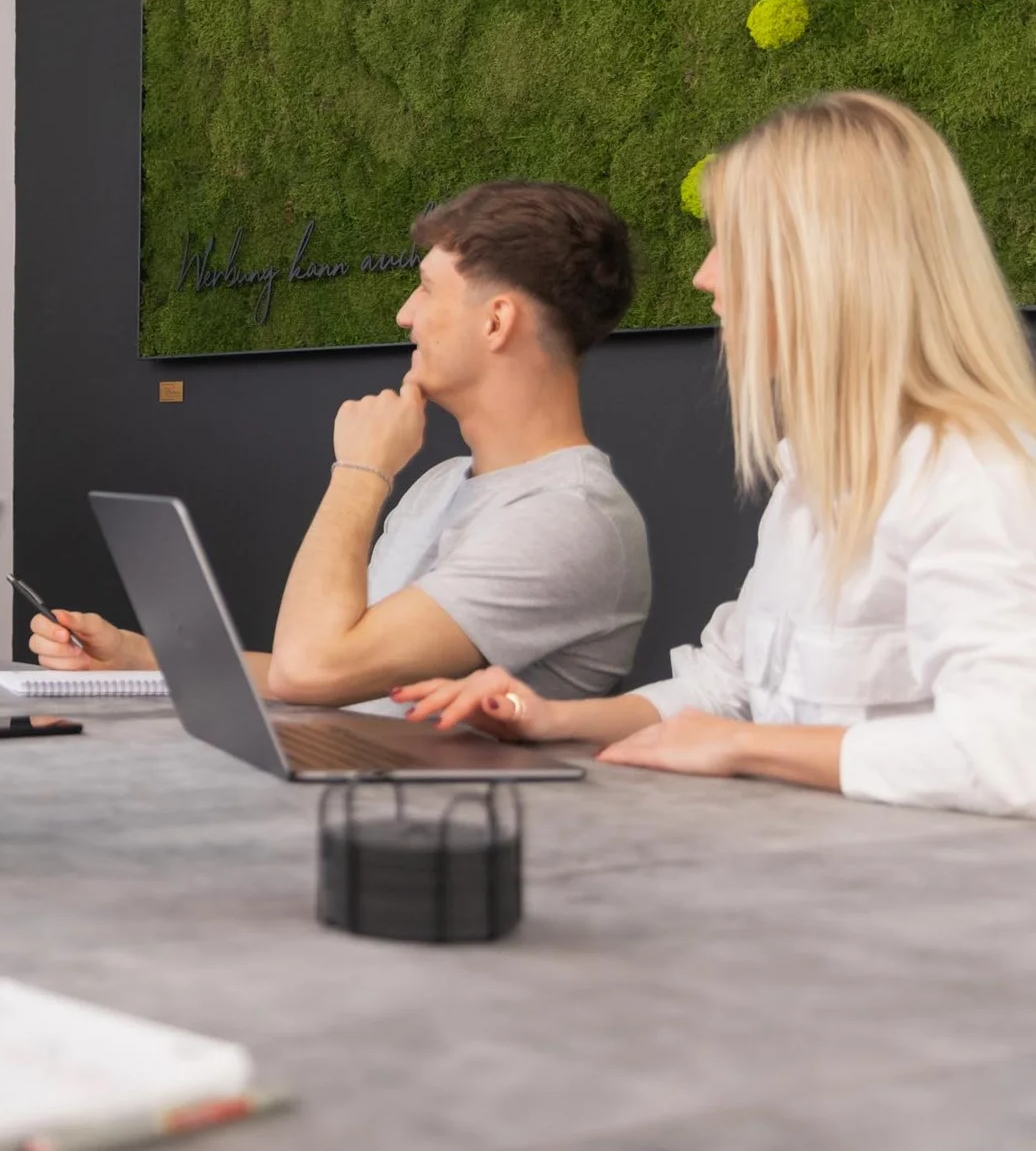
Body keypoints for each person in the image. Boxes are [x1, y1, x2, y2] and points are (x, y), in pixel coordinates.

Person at [400, 94, 1036, 816]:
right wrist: (548, 717)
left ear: (824, 262)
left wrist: (744, 748)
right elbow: (726, 685)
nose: (705, 275)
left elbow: (1014, 750)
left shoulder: (976, 476)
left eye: (731, 242)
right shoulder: (813, 488)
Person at [33, 181, 651, 705]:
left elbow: (311, 670)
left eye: (427, 288)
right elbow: (313, 673)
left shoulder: (565, 517)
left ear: (496, 321)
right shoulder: (443, 485)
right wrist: (140, 658)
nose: (405, 315)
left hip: (449, 830)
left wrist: (360, 470)